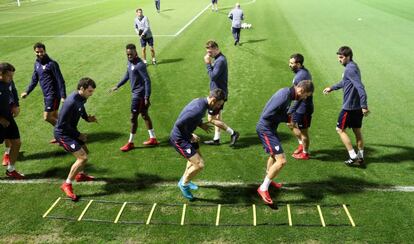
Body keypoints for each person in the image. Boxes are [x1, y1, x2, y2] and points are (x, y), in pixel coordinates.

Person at [256, 80, 314, 204]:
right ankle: (263, 188)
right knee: (281, 161)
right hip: (266, 129)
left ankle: (269, 182)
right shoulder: (284, 96)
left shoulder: (287, 94)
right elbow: (267, 115)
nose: (305, 98)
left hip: (270, 128)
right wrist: (286, 118)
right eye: (306, 96)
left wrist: (287, 117)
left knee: (273, 156)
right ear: (301, 90)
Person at [170, 89, 227, 200]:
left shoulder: (201, 102)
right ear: (213, 100)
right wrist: (190, 135)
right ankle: (184, 184)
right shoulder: (197, 109)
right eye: (218, 105)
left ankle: (186, 179)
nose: (218, 108)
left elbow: (192, 118)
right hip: (180, 139)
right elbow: (179, 124)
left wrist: (201, 125)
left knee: (196, 159)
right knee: (199, 164)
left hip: (186, 136)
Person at [323, 46, 369, 167]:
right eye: (338, 57)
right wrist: (332, 88)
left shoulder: (349, 69)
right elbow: (345, 82)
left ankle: (352, 155)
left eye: (341, 57)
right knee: (357, 130)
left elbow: (360, 87)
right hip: (357, 107)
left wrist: (364, 104)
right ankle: (361, 157)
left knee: (340, 130)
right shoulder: (353, 66)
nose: (339, 60)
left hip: (349, 107)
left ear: (348, 57)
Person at [111, 43, 159, 152]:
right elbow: (127, 75)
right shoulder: (129, 62)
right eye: (127, 54)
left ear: (135, 52)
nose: (129, 56)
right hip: (137, 94)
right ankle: (153, 138)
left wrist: (147, 96)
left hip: (139, 96)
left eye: (131, 54)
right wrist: (117, 86)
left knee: (133, 118)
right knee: (144, 115)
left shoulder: (140, 65)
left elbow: (147, 80)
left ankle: (130, 143)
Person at [55, 78, 98, 201]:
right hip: (63, 134)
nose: (91, 94)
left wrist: (86, 118)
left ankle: (81, 175)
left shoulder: (81, 98)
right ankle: (67, 184)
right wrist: (78, 135)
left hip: (70, 131)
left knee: (85, 151)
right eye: (89, 91)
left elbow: (81, 108)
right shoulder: (71, 102)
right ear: (82, 89)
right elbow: (62, 124)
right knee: (82, 157)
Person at [20, 42, 66, 143]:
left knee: (47, 117)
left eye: (41, 52)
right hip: (46, 95)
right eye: (37, 52)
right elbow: (34, 80)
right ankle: (61, 136)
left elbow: (60, 80)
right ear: (34, 52)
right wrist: (27, 92)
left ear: (45, 51)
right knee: (54, 116)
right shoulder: (37, 64)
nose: (40, 54)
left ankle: (66, 134)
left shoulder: (52, 64)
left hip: (53, 95)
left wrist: (63, 96)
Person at [203, 40, 239, 146]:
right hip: (218, 93)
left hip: (218, 96)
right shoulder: (218, 59)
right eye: (207, 52)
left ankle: (233, 133)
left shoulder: (220, 61)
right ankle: (216, 139)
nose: (208, 54)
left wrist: (208, 64)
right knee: (217, 117)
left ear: (216, 49)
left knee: (211, 119)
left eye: (210, 52)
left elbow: (213, 76)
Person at [286, 53, 313, 160]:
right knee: (290, 123)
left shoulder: (301, 76)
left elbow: (299, 97)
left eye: (292, 63)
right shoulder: (302, 72)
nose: (289, 65)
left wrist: (290, 110)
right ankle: (301, 144)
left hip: (304, 109)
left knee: (304, 132)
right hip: (299, 107)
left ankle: (305, 153)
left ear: (299, 64)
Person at [0, 63, 24, 179]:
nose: (11, 78)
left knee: (17, 142)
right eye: (9, 76)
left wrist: (16, 105)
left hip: (7, 116)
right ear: (0, 74)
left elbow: (13, 91)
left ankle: (11, 169)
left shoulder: (9, 81)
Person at [2, 80, 19, 166]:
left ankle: (7, 152)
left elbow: (13, 90)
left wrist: (16, 105)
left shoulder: (7, 77)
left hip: (7, 110)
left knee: (10, 135)